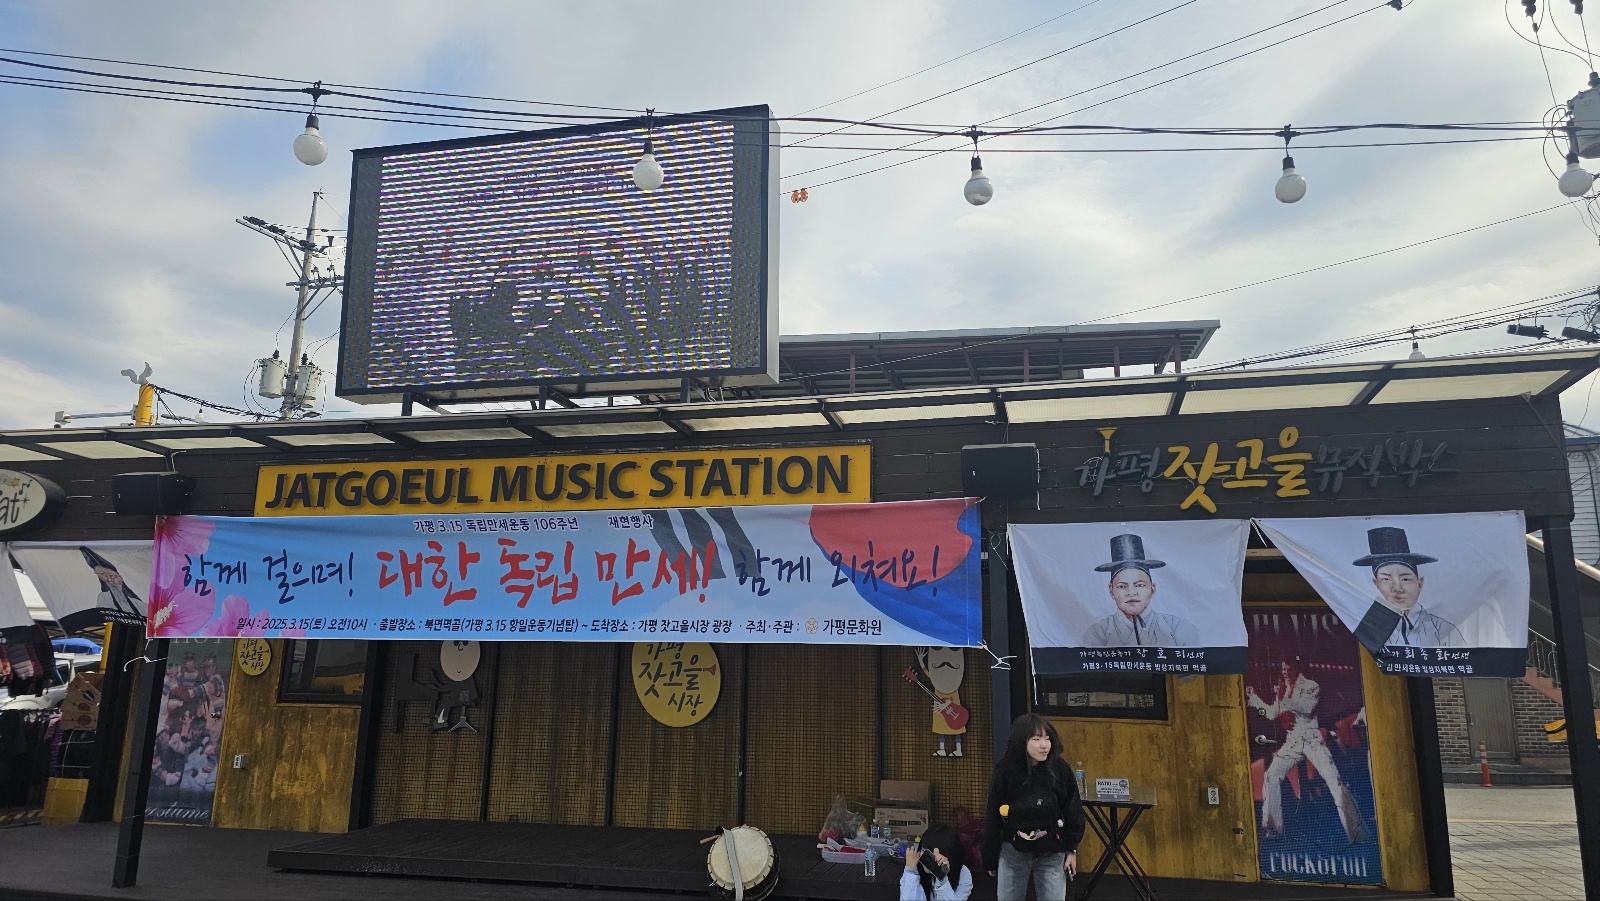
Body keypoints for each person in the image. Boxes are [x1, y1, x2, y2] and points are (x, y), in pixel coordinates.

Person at [1247, 662, 1363, 843]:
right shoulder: (1283, 689)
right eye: (1283, 670)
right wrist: (1255, 699)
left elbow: (1307, 708)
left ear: (1297, 669)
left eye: (1289, 669)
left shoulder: (1311, 686)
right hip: (1293, 741)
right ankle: (1272, 828)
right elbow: (1271, 713)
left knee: (1335, 783)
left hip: (1311, 740)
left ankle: (1357, 834)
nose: (1285, 673)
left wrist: (1284, 698)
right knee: (1271, 775)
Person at [983, 714, 1085, 901]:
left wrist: (1072, 849)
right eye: (1036, 739)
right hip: (1013, 852)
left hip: (1052, 852)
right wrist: (990, 858)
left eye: (1047, 739)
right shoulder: (1005, 770)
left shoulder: (1060, 769)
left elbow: (1073, 810)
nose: (1044, 745)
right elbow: (993, 815)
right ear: (1021, 741)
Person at [1348, 526, 1463, 652]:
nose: (1397, 588)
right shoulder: (1368, 628)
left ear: (1420, 584)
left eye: (1406, 579)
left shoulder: (1442, 628)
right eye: (1386, 579)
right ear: (1376, 583)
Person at [1083, 533, 1199, 648]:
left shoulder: (1178, 628)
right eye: (1122, 586)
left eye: (1139, 585)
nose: (1131, 592)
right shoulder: (1098, 633)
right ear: (1111, 591)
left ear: (1153, 589)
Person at [901, 824, 973, 901]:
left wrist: (941, 877)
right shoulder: (914, 868)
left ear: (948, 854)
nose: (926, 859)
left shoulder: (963, 873)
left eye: (931, 854)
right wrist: (911, 872)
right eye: (923, 850)